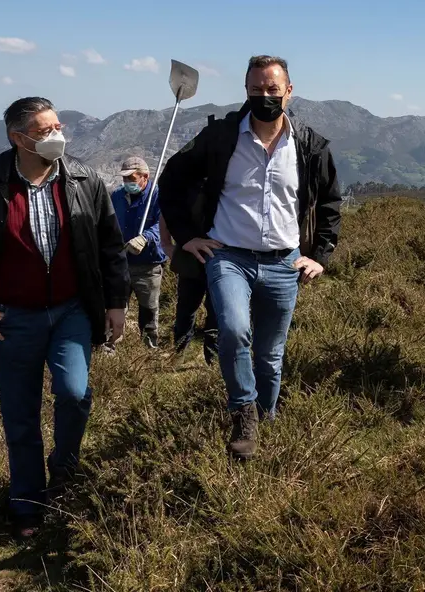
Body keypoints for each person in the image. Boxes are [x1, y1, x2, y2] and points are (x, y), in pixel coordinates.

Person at [0, 96, 128, 539]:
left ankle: (64, 469)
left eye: (58, 126)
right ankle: (27, 501)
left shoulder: (84, 178)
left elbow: (109, 246)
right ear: (17, 138)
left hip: (72, 311)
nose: (56, 135)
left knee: (74, 393)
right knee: (20, 413)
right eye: (44, 130)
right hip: (10, 317)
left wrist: (116, 303)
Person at [158, 55, 342, 460]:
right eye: (257, 89)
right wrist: (187, 236)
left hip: (284, 262)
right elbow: (171, 179)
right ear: (246, 90)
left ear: (289, 92)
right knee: (234, 329)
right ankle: (243, 414)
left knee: (270, 355)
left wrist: (321, 255)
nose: (265, 96)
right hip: (229, 256)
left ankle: (266, 418)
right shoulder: (221, 137)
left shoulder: (310, 145)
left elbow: (330, 202)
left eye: (273, 89)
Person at [110, 155, 167, 348]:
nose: (127, 183)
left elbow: (164, 226)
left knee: (149, 308)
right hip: (121, 263)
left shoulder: (159, 196)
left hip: (148, 265)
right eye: (125, 179)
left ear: (145, 176)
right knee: (116, 306)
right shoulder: (117, 196)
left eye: (131, 179)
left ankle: (148, 347)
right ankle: (111, 347)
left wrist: (145, 237)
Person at [159, 211, 218, 365]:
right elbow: (167, 211)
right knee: (186, 309)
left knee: (216, 312)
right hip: (190, 258)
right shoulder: (187, 189)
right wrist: (166, 244)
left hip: (220, 258)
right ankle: (179, 352)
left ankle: (213, 359)